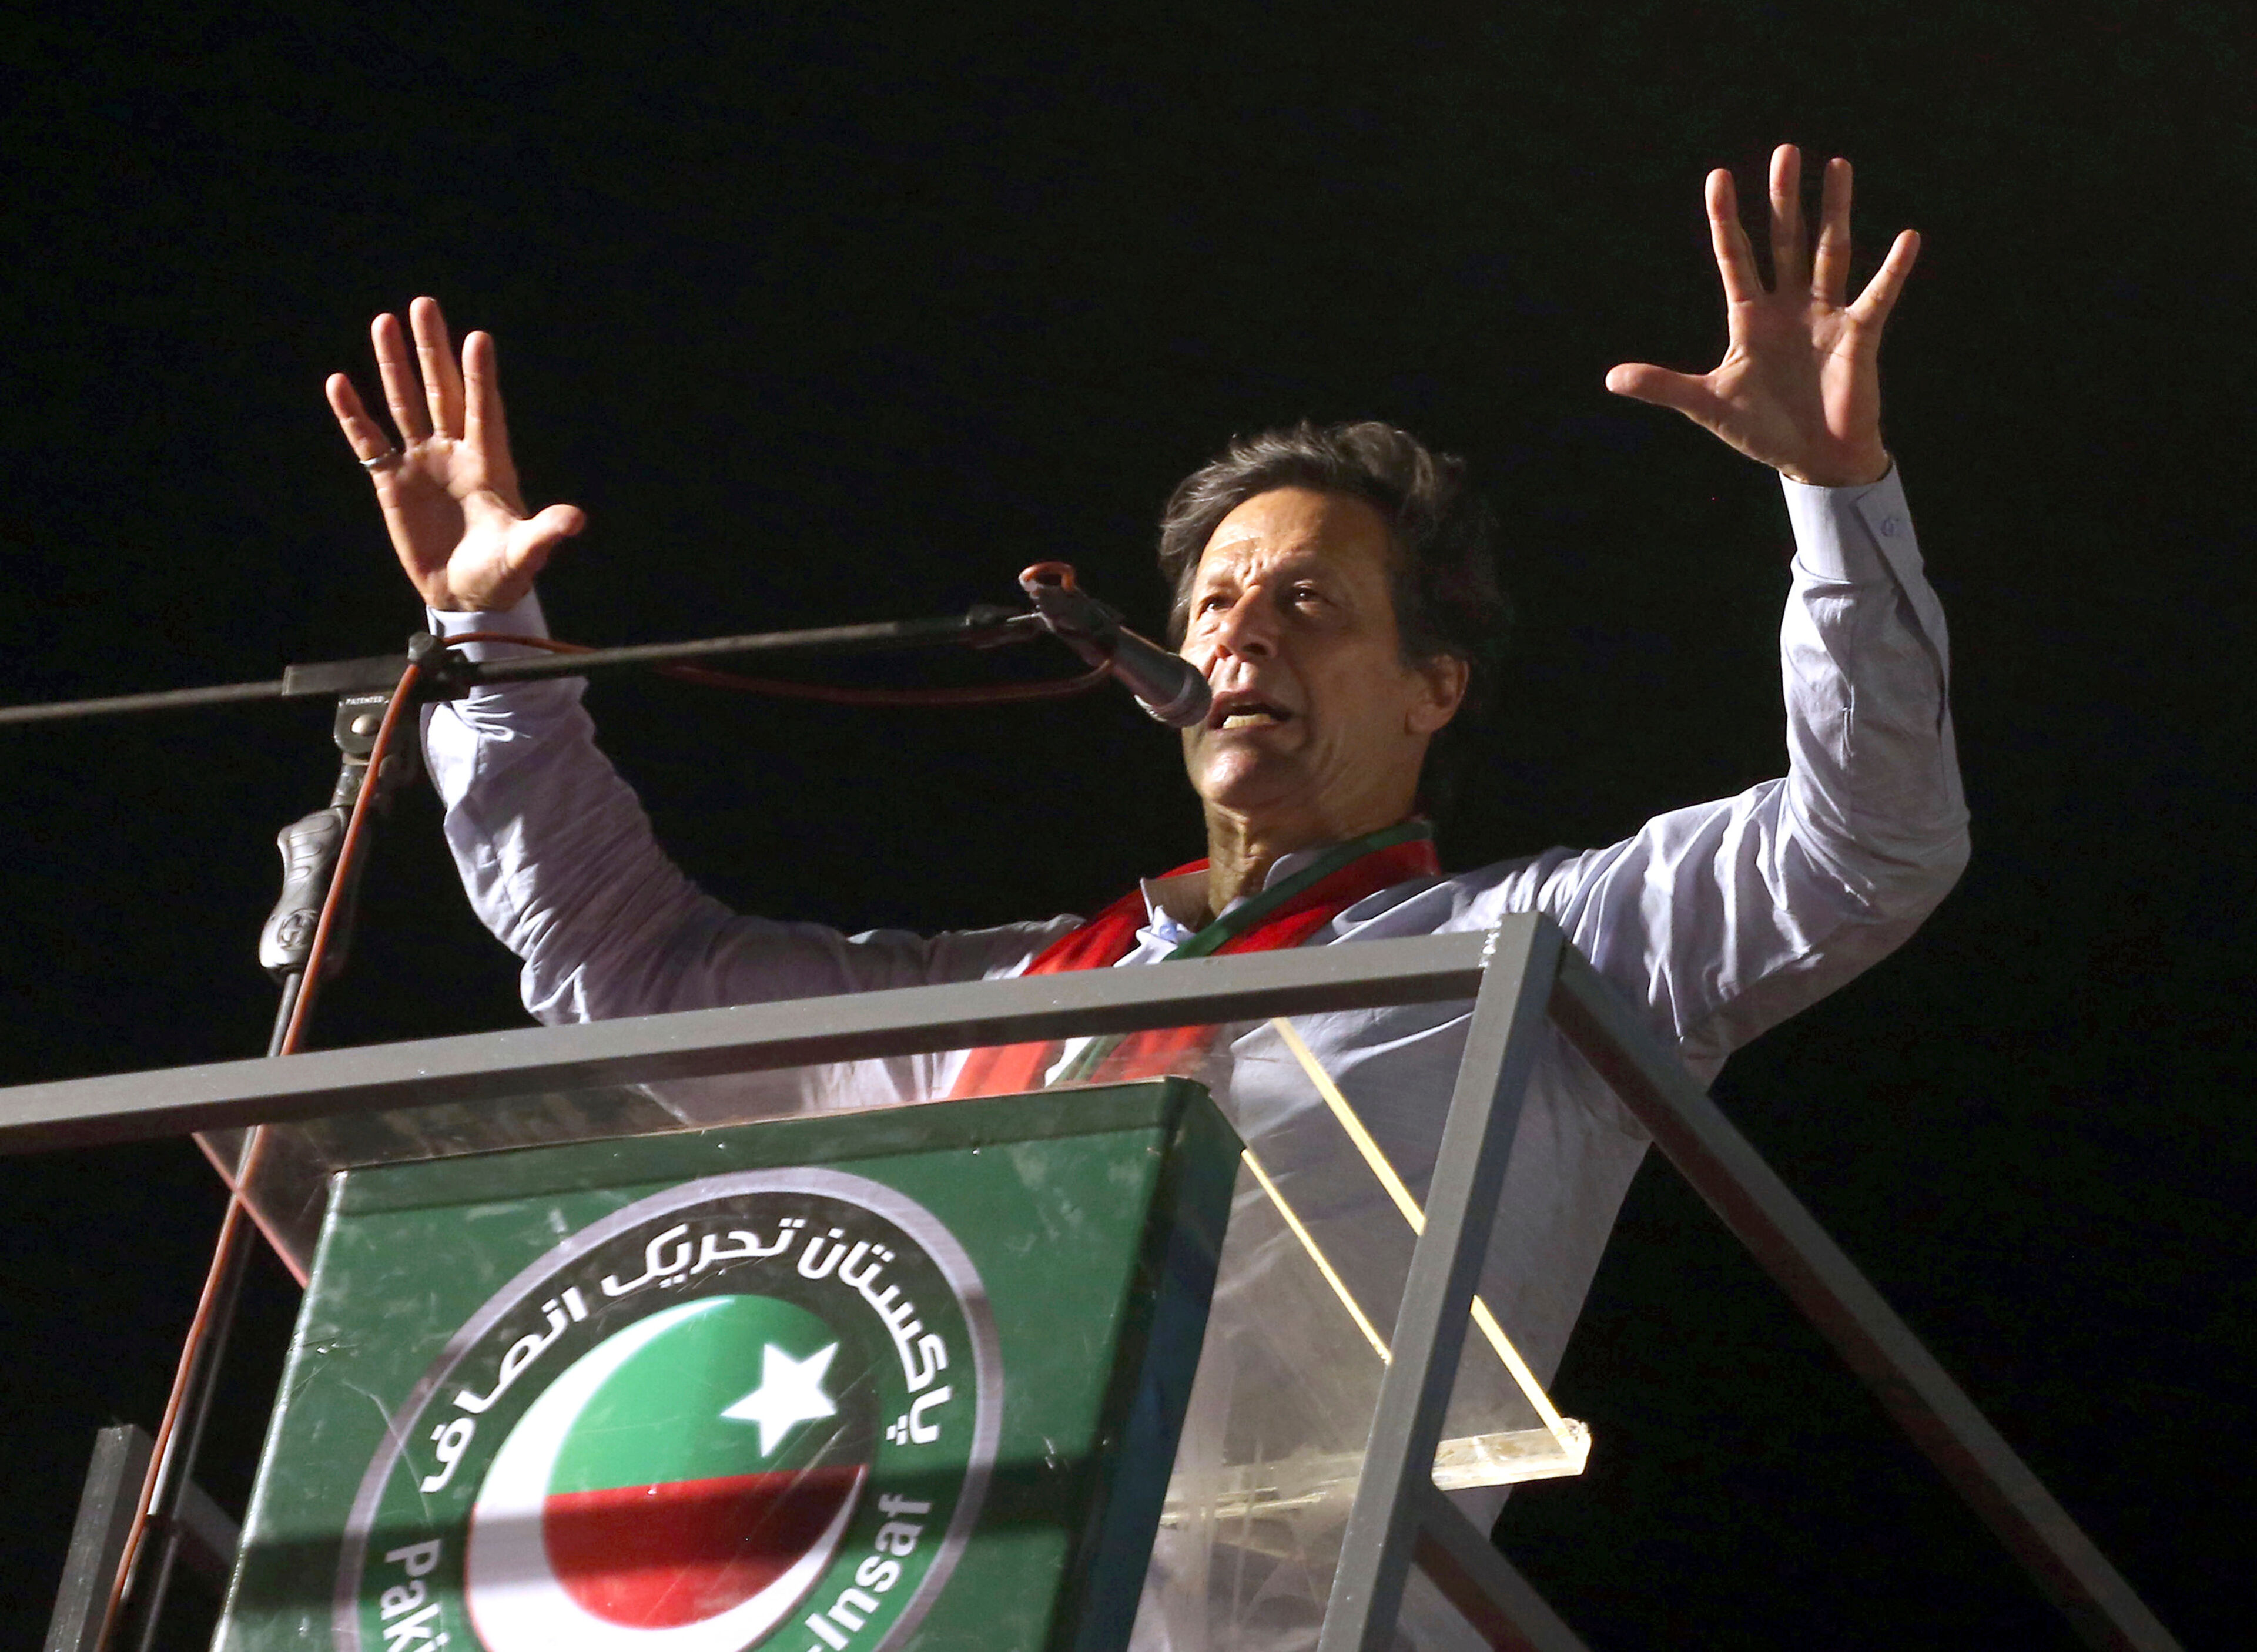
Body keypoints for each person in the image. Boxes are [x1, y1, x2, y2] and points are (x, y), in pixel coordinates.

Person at [326, 146, 1967, 1650]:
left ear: (1434, 687)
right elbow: (628, 965)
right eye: (1217, 599)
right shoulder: (1015, 998)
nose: (1243, 630)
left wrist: (1836, 496)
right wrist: (492, 643)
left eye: (1311, 601)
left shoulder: (1543, 958)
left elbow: (1866, 847)